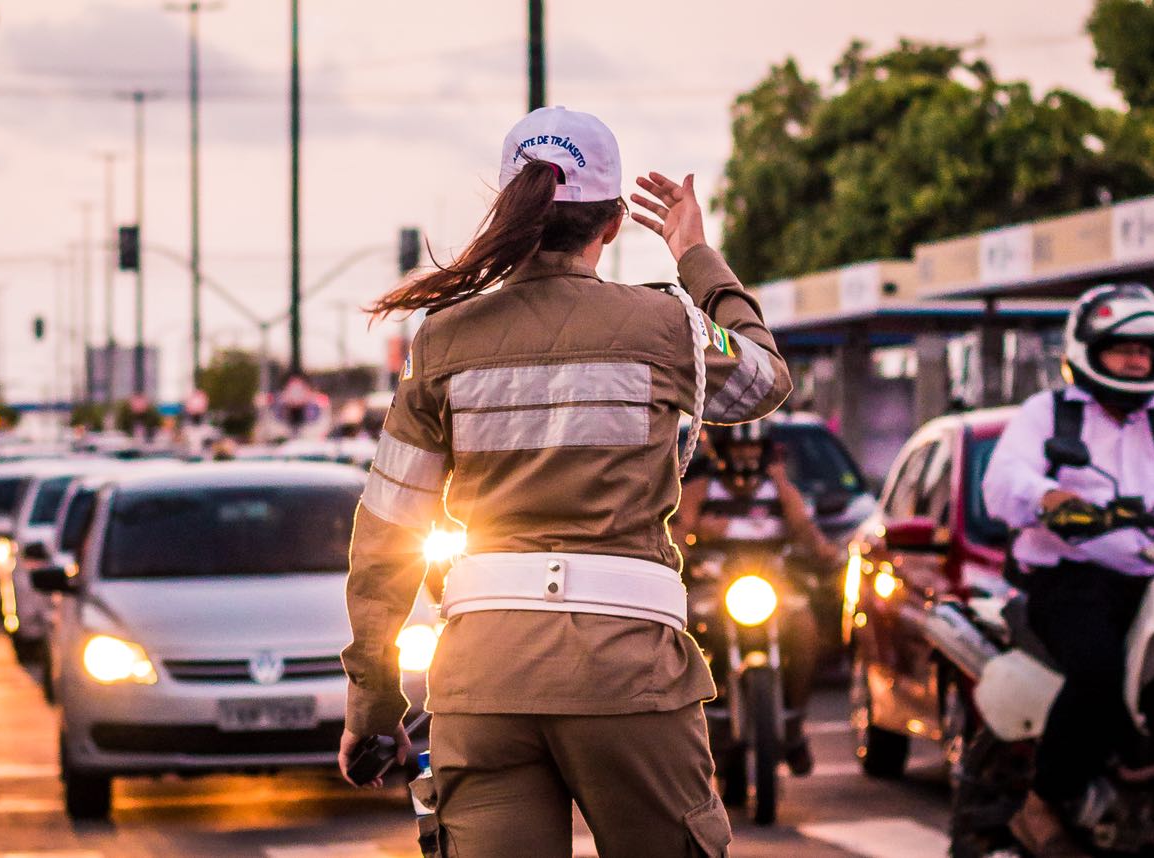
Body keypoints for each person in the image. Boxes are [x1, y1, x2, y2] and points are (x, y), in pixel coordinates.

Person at [337, 106, 792, 857]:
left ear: (510, 211)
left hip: (482, 681)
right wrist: (695, 254)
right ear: (611, 224)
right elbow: (764, 378)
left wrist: (372, 701)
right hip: (629, 675)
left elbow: (386, 537)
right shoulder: (666, 326)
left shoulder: (443, 340)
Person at [983, 283, 1154, 858]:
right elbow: (1003, 482)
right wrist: (1051, 497)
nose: (1135, 359)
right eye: (1121, 347)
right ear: (1087, 349)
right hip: (1071, 576)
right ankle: (1044, 802)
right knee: (1100, 671)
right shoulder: (1048, 414)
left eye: (1145, 349)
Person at [671, 423, 825, 777]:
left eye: (754, 449)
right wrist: (678, 553)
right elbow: (677, 534)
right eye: (739, 450)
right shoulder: (697, 490)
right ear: (719, 452)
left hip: (773, 588)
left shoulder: (781, 491)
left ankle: (793, 722)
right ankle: (700, 714)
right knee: (686, 633)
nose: (746, 457)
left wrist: (825, 552)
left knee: (805, 628)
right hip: (714, 588)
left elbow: (808, 532)